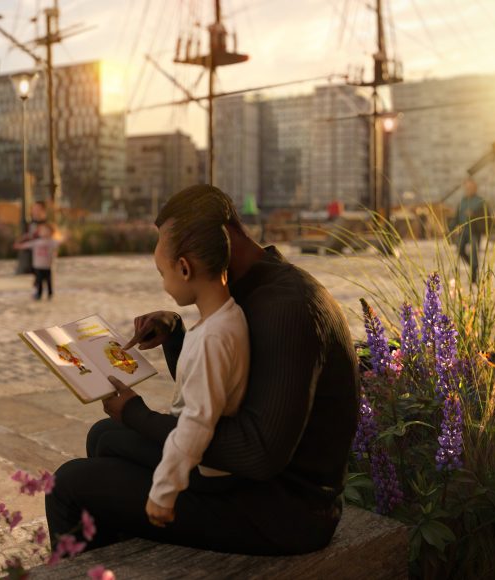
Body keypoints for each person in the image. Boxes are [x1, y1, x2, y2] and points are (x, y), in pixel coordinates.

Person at [46, 184, 360, 557]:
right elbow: (217, 393)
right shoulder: (249, 291)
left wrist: (136, 412)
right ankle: (116, 548)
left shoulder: (286, 308)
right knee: (105, 436)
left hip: (282, 510)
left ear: (218, 239)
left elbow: (256, 453)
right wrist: (175, 332)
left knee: (66, 485)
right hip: (241, 482)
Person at [14, 223, 60, 300]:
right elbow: (25, 245)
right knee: (39, 281)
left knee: (48, 281)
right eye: (42, 231)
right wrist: (20, 242)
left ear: (51, 232)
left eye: (46, 231)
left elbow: (59, 242)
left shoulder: (52, 242)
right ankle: (39, 294)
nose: (44, 232)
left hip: (47, 266)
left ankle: (50, 293)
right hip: (38, 266)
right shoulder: (36, 242)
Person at [455, 179, 489, 284]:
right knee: (460, 250)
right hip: (463, 230)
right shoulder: (463, 201)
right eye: (467, 188)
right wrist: (451, 228)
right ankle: (473, 266)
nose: (468, 190)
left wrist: (473, 215)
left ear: (475, 188)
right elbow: (457, 215)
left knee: (474, 252)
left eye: (470, 188)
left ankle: (474, 276)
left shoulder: (480, 201)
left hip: (474, 231)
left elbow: (486, 216)